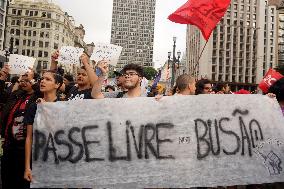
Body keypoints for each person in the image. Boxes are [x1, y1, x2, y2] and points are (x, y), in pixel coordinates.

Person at [0, 69, 41, 189]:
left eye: (27, 80)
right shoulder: (16, 95)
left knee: (21, 182)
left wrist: (32, 79)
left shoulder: (37, 97)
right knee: (6, 179)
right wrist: (2, 77)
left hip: (24, 148)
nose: (23, 82)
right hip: (8, 146)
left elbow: (40, 91)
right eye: (21, 80)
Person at [24, 70, 63, 183]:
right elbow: (29, 138)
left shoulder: (63, 106)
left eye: (48, 79)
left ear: (57, 85)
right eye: (42, 79)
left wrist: (45, 109)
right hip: (38, 159)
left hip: (58, 159)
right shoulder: (34, 106)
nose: (42, 81)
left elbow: (57, 133)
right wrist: (27, 167)